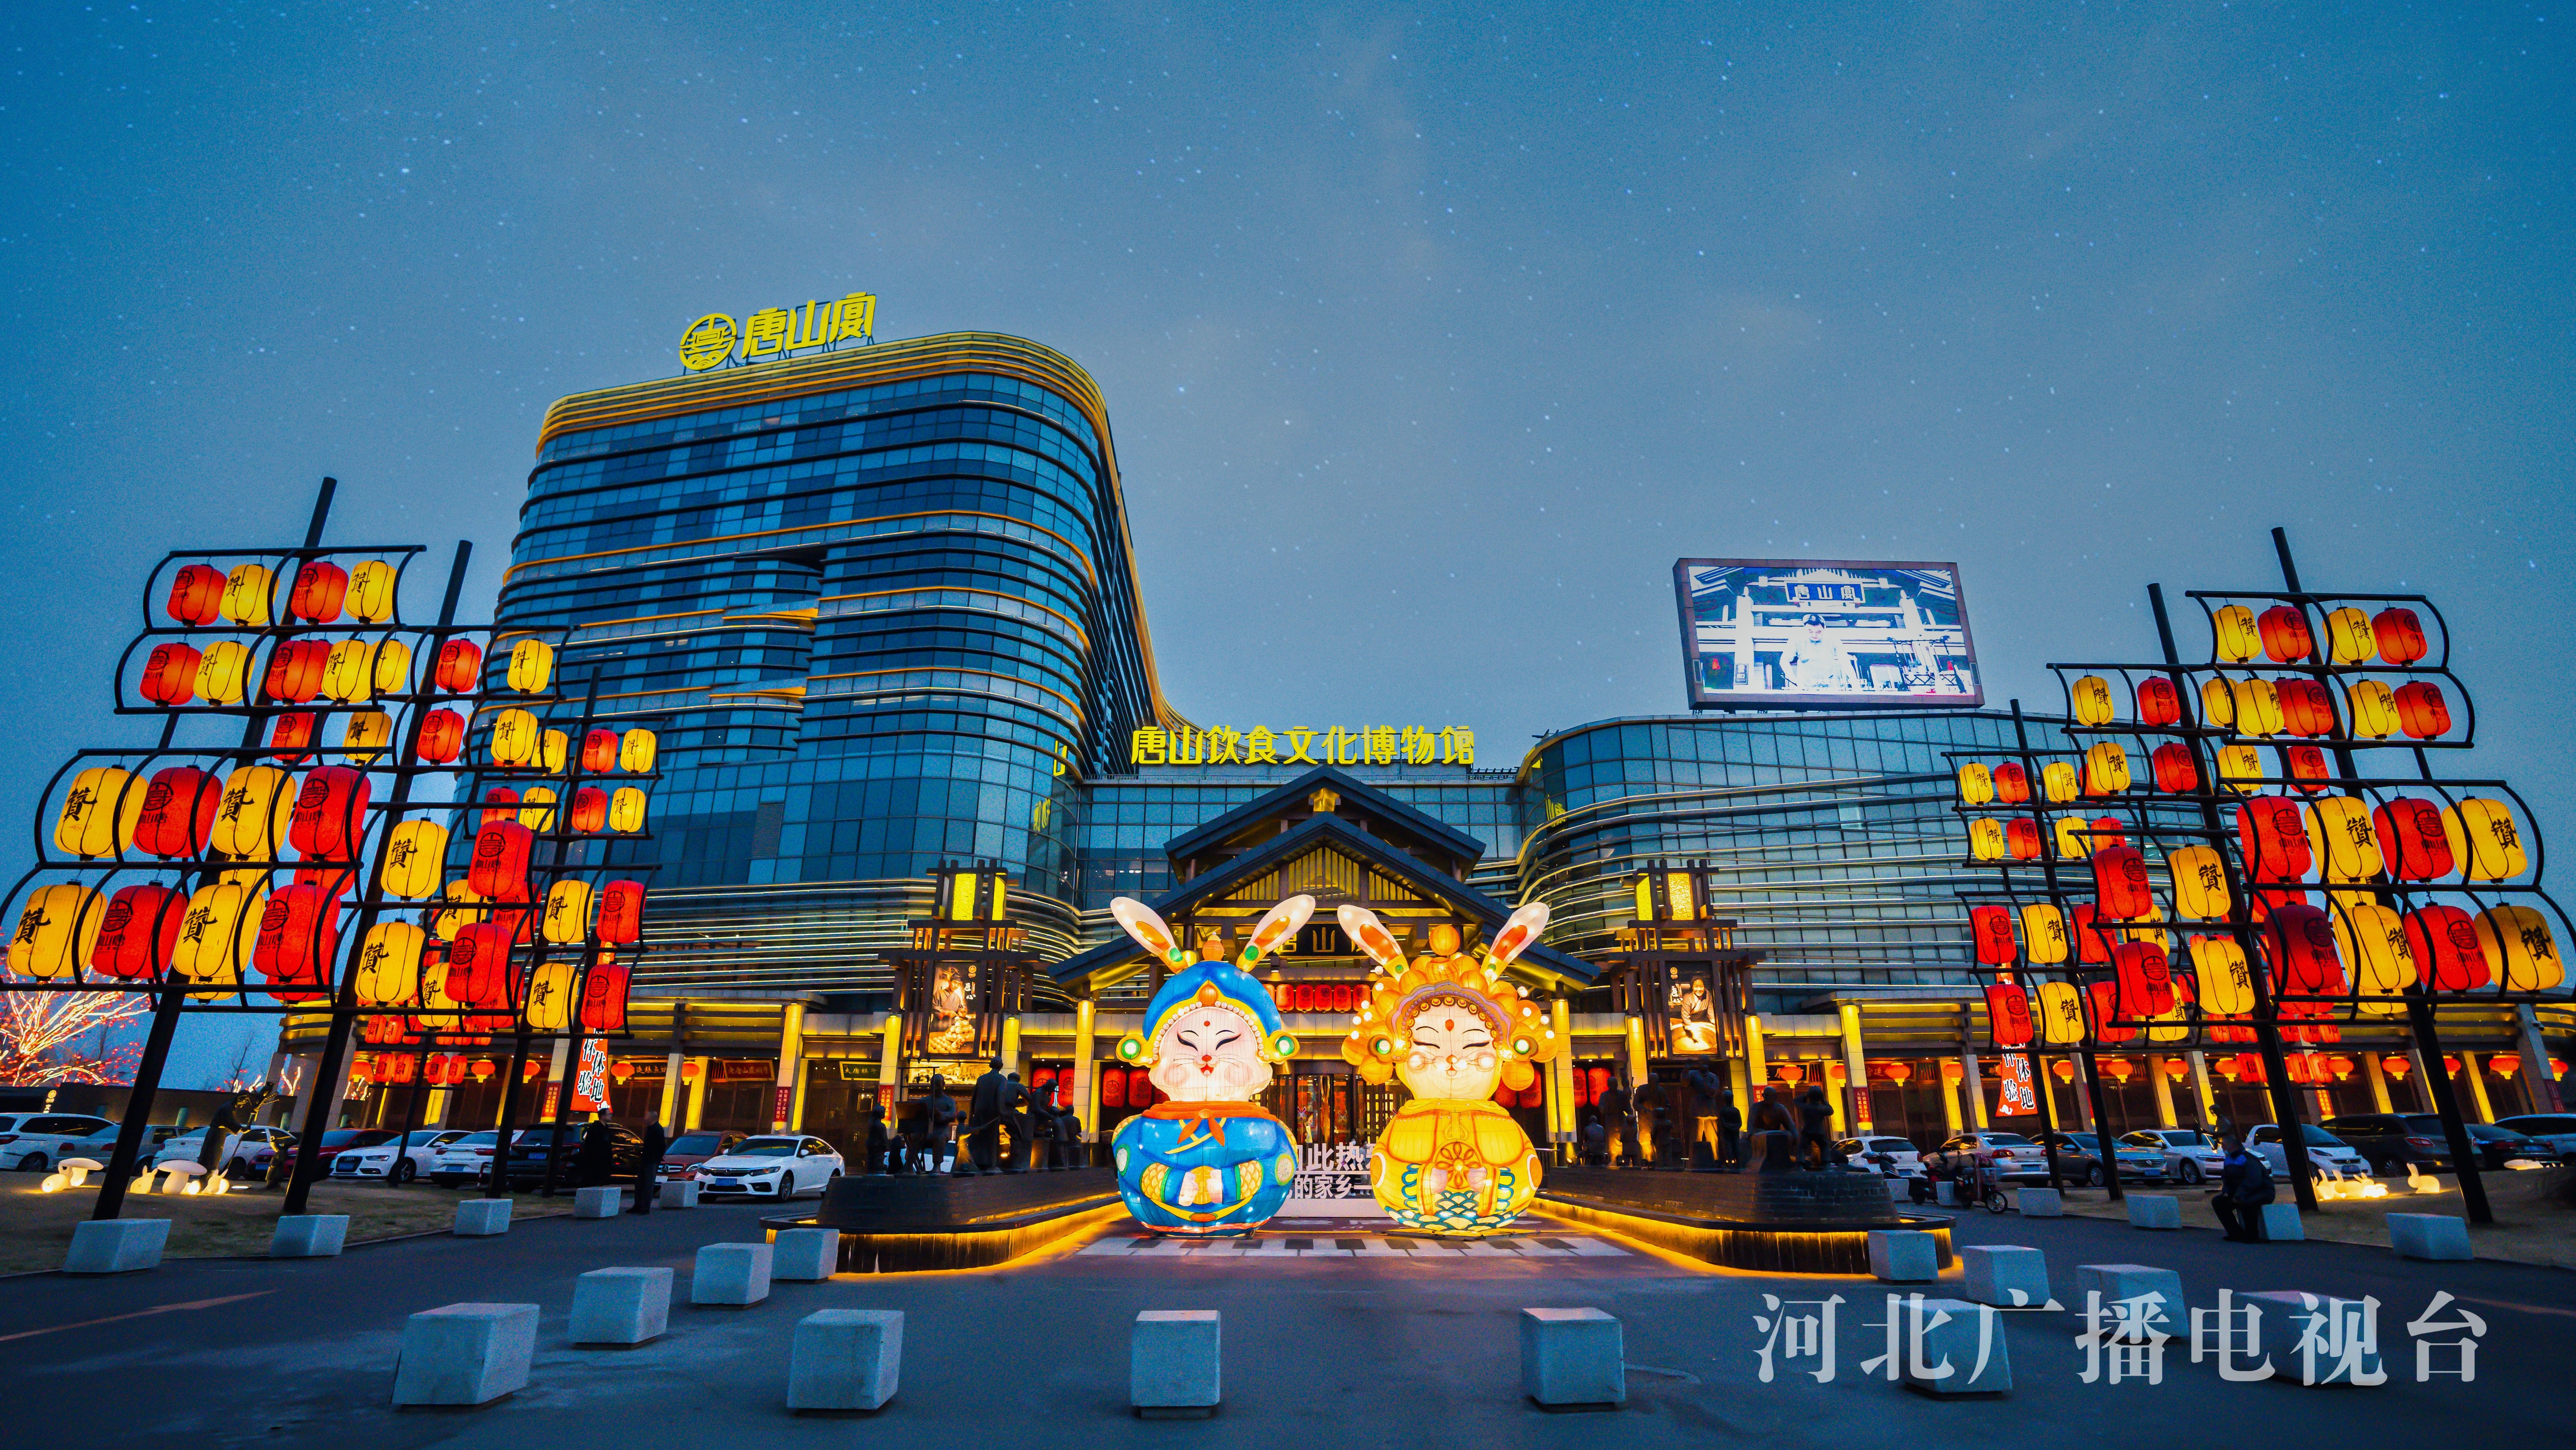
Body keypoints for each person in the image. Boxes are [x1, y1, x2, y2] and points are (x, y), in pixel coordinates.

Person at [2211, 1136, 2276, 1242]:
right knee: (2218, 1202)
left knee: (2245, 1202)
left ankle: (2252, 1236)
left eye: (2223, 1145)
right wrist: (2226, 1192)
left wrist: (2238, 1195)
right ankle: (2236, 1234)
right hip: (2242, 1192)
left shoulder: (2248, 1159)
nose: (2222, 1147)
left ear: (2231, 1146)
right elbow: (2226, 1178)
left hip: (2262, 1192)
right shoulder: (2229, 1159)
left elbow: (2254, 1181)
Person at [1779, 614, 1858, 691]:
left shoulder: (1833, 639)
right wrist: (1795, 681)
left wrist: (1855, 684)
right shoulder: (1796, 639)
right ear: (1804, 628)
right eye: (1810, 631)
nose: (1814, 635)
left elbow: (1845, 662)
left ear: (1825, 628)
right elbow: (1784, 661)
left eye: (1819, 632)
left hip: (1829, 684)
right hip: (1804, 685)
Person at [627, 1120, 665, 1215]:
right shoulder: (650, 1129)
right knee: (640, 1184)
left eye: (647, 1116)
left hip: (652, 1161)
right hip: (645, 1160)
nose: (645, 1118)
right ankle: (638, 1206)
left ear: (652, 1118)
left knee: (648, 1184)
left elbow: (662, 1145)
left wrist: (659, 1156)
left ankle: (645, 1207)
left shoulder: (658, 1129)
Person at [1796, 1085, 1836, 1169]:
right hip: (1819, 1131)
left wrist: (1806, 1096)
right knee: (1824, 1146)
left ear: (1810, 1096)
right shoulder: (1822, 1108)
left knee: (1801, 1147)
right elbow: (1831, 1111)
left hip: (1807, 1131)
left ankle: (1800, 1165)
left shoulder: (1806, 1107)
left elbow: (1796, 1101)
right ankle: (1826, 1163)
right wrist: (1824, 1101)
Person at [571, 1118, 615, 1190]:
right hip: (596, 1160)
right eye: (609, 1114)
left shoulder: (605, 1128)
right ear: (603, 1116)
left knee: (596, 1181)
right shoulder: (596, 1129)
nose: (611, 1116)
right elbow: (592, 1145)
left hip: (602, 1161)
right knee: (592, 1180)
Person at [1717, 1087, 1743, 1170]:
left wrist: (1729, 1127)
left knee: (1728, 1148)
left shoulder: (1723, 1111)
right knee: (1736, 1147)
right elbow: (1740, 1122)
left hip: (1727, 1132)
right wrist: (1735, 1128)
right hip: (1735, 1132)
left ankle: (1731, 1164)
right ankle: (1739, 1164)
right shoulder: (1736, 1110)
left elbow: (1723, 1123)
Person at [862, 1105, 890, 1174]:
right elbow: (885, 1139)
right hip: (879, 1149)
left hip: (872, 1149)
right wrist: (887, 1147)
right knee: (878, 1163)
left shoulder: (871, 1125)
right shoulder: (881, 1126)